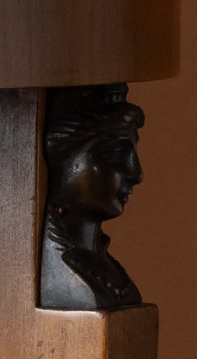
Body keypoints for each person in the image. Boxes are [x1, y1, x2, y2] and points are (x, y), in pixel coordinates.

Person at [39, 83, 145, 313]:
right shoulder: (65, 277)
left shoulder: (112, 276)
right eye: (117, 154)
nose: (136, 173)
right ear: (61, 158)